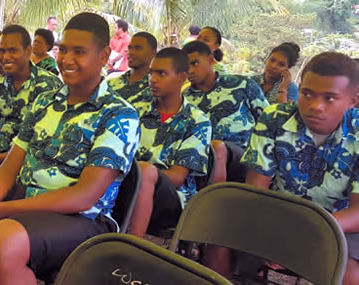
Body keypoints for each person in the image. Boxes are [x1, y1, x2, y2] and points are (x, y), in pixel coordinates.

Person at [0, 12, 140, 285]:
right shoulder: (45, 102)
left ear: (105, 55)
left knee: (1, 238)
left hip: (82, 220)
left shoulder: (119, 115)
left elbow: (84, 197)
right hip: (23, 200)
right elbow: (9, 168)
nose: (67, 59)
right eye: (64, 49)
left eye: (79, 52)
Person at [241, 52, 359, 284]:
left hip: (341, 224)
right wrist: (277, 231)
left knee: (350, 275)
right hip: (278, 214)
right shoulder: (273, 119)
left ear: (353, 101)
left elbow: (357, 213)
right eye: (306, 93)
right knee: (217, 233)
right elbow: (256, 192)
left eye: (329, 98)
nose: (315, 106)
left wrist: (305, 234)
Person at [0, 25, 62, 183]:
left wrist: (2, 160)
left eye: (13, 50)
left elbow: (46, 144)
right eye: (2, 51)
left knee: (4, 177)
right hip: (1, 143)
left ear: (28, 51)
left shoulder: (48, 86)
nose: (5, 57)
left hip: (32, 157)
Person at [128, 48, 211, 238]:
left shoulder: (197, 121)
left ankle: (131, 247)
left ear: (182, 77)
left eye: (162, 73)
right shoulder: (134, 109)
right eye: (151, 73)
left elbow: (177, 177)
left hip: (171, 198)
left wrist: (139, 177)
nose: (153, 79)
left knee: (146, 172)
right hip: (127, 182)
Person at [182, 41, 268, 184]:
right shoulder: (185, 98)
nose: (190, 71)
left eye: (195, 63)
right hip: (201, 157)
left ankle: (217, 201)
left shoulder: (242, 85)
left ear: (210, 60)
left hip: (243, 155)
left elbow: (267, 120)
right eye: (186, 67)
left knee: (217, 148)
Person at [108, 31, 156, 109]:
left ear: (153, 53)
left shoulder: (155, 88)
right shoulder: (111, 82)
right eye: (130, 48)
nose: (131, 52)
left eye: (138, 48)